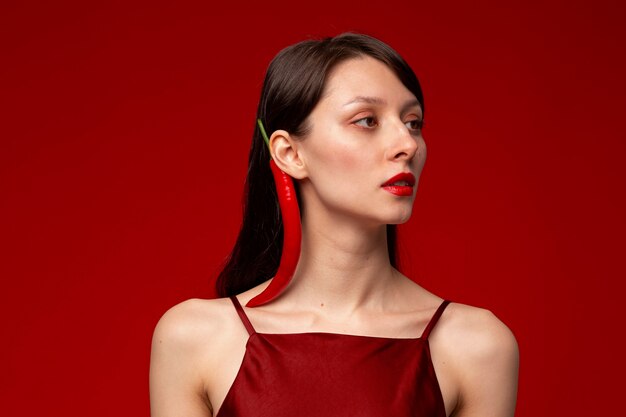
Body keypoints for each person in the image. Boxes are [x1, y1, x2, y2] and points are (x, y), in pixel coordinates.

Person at [149, 32, 519, 417]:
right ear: (290, 153)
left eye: (413, 122)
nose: (407, 144)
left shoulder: (475, 345)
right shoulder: (196, 338)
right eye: (367, 121)